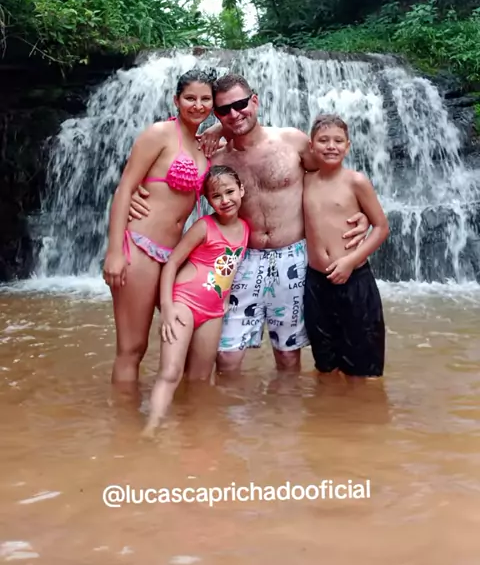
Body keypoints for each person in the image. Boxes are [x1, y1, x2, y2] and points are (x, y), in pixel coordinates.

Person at [128, 73, 370, 374]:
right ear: (216, 114)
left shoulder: (291, 141)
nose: (234, 113)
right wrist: (134, 192)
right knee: (227, 358)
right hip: (239, 259)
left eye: (240, 104)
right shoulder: (215, 158)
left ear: (254, 101)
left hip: (291, 258)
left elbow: (330, 175)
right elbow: (172, 180)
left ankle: (286, 408)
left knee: (288, 356)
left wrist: (358, 211)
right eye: (224, 110)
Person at [102, 67, 217, 390]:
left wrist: (221, 126)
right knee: (132, 348)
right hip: (140, 246)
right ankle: (124, 419)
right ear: (176, 100)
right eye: (190, 98)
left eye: (205, 99)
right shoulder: (159, 134)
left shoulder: (203, 145)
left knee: (188, 342)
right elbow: (125, 188)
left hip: (175, 256)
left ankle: (183, 416)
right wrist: (114, 252)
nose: (198, 105)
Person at [144, 165, 249, 432]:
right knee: (171, 372)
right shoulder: (204, 226)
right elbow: (172, 263)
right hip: (185, 303)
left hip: (213, 311)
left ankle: (191, 428)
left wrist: (224, 302)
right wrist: (167, 307)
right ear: (207, 200)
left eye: (230, 192)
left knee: (201, 378)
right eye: (216, 196)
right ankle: (151, 429)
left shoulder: (246, 228)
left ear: (242, 190)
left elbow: (228, 269)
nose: (225, 200)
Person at [303, 113, 389, 378]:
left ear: (348, 146)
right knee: (325, 364)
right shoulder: (304, 181)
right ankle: (333, 405)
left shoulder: (356, 181)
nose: (331, 146)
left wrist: (350, 262)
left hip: (354, 281)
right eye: (323, 140)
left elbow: (381, 227)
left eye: (338, 141)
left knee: (364, 367)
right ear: (311, 146)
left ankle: (363, 405)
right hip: (316, 282)